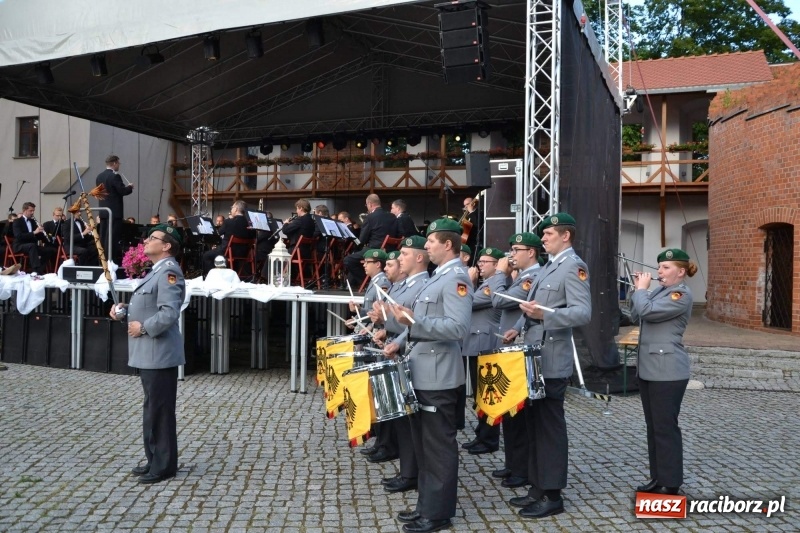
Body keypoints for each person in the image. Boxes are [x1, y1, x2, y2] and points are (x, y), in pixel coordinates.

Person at [385, 217, 472, 533]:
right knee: (425, 446)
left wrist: (414, 322)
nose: (428, 246)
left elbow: (458, 327)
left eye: (432, 241)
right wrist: (406, 327)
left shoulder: (456, 278)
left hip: (439, 376)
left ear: (447, 244)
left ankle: (437, 514)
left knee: (438, 447)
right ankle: (427, 506)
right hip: (423, 372)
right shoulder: (439, 278)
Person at [503, 213, 592, 519]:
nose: (543, 238)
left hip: (552, 360)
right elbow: (535, 306)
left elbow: (582, 313)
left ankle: (552, 494)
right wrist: (521, 323)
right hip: (533, 358)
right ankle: (538, 487)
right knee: (534, 426)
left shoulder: (573, 266)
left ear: (566, 236)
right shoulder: (549, 267)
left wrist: (546, 316)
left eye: (549, 233)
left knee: (549, 429)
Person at [110, 224, 185, 484]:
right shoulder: (156, 272)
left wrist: (143, 327)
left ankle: (164, 466)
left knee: (160, 410)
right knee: (152, 407)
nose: (147, 240)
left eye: (153, 238)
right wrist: (125, 308)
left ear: (166, 246)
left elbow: (169, 312)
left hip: (160, 352)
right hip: (150, 352)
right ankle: (154, 458)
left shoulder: (169, 272)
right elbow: (149, 304)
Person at [630, 248, 696, 496]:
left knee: (666, 428)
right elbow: (637, 314)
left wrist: (641, 292)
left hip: (668, 372)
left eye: (666, 268)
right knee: (653, 426)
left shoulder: (681, 295)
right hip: (650, 369)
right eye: (659, 267)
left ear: (680, 271)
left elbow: (647, 311)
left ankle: (670, 483)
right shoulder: (659, 291)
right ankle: (658, 477)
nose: (659, 271)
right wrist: (637, 289)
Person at [481, 232, 543, 488]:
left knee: (519, 415)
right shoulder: (523, 277)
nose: (511, 255)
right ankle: (513, 464)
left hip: (520, 353)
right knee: (510, 414)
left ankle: (522, 469)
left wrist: (499, 274)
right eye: (511, 249)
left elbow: (499, 300)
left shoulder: (533, 277)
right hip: (509, 346)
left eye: (516, 249)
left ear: (531, 252)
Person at [372, 237, 430, 494]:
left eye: (404, 254)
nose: (397, 259)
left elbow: (416, 323)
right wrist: (383, 318)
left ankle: (411, 474)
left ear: (418, 258)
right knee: (405, 423)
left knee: (411, 425)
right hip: (402, 353)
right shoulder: (405, 284)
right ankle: (408, 471)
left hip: (414, 356)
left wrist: (388, 323)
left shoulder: (423, 285)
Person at [460, 247, 505, 456]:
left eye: (486, 262)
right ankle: (481, 433)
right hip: (476, 343)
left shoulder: (494, 285)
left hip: (485, 344)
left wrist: (468, 282)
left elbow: (467, 303)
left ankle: (489, 439)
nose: (480, 265)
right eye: (480, 261)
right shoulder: (485, 284)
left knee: (486, 395)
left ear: (497, 265)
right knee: (479, 395)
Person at [343, 194, 398, 290]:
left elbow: (362, 240)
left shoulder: (369, 217)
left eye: (366, 205)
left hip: (374, 250)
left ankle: (368, 283)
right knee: (357, 257)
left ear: (370, 204)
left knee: (348, 260)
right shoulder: (392, 216)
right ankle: (351, 284)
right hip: (390, 251)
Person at [96, 155, 134, 265]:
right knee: (112, 238)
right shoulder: (114, 176)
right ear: (114, 163)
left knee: (103, 238)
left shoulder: (99, 176)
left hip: (103, 211)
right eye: (118, 163)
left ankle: (102, 262)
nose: (119, 165)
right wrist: (130, 187)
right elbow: (122, 191)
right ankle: (110, 262)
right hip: (114, 212)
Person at [202, 200, 256, 276]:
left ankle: (212, 277)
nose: (231, 209)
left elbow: (217, 235)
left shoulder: (228, 222)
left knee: (207, 255)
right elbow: (254, 237)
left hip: (228, 251)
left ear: (236, 209)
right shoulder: (251, 224)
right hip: (244, 253)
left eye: (232, 207)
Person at [12, 202, 55, 273]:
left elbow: (38, 236)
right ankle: (36, 269)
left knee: (49, 250)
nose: (32, 213)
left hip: (32, 246)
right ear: (24, 210)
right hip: (19, 245)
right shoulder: (17, 221)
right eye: (30, 211)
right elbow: (19, 236)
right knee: (32, 246)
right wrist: (34, 232)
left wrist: (44, 234)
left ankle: (40, 269)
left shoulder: (33, 222)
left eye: (33, 211)